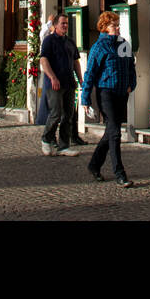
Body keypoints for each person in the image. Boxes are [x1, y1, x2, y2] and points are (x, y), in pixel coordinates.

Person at [81, 11, 136, 186]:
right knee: (115, 133)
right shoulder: (99, 47)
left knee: (111, 131)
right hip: (106, 93)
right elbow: (90, 74)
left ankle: (94, 165)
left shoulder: (124, 44)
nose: (118, 28)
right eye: (114, 25)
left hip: (121, 93)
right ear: (105, 28)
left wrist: (131, 85)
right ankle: (119, 173)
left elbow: (131, 67)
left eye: (118, 25)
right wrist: (85, 98)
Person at [39, 13, 78, 157]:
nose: (65, 26)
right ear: (55, 25)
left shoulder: (70, 42)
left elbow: (75, 61)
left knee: (68, 115)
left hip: (69, 82)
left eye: (67, 23)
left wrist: (80, 79)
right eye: (63, 23)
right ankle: (46, 139)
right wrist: (53, 77)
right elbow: (44, 60)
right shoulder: (49, 41)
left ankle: (63, 146)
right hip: (54, 83)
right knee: (55, 114)